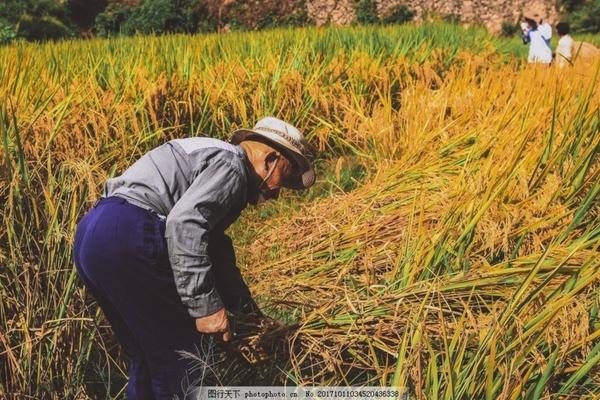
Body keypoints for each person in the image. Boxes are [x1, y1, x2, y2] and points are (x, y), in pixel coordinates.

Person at [72, 117, 315, 399]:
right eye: (281, 180)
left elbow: (216, 253)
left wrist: (252, 318)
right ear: (270, 159)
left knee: (147, 358)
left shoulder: (213, 154)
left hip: (94, 234)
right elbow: (185, 225)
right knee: (186, 361)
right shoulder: (233, 167)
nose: (276, 194)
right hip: (130, 233)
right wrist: (205, 308)